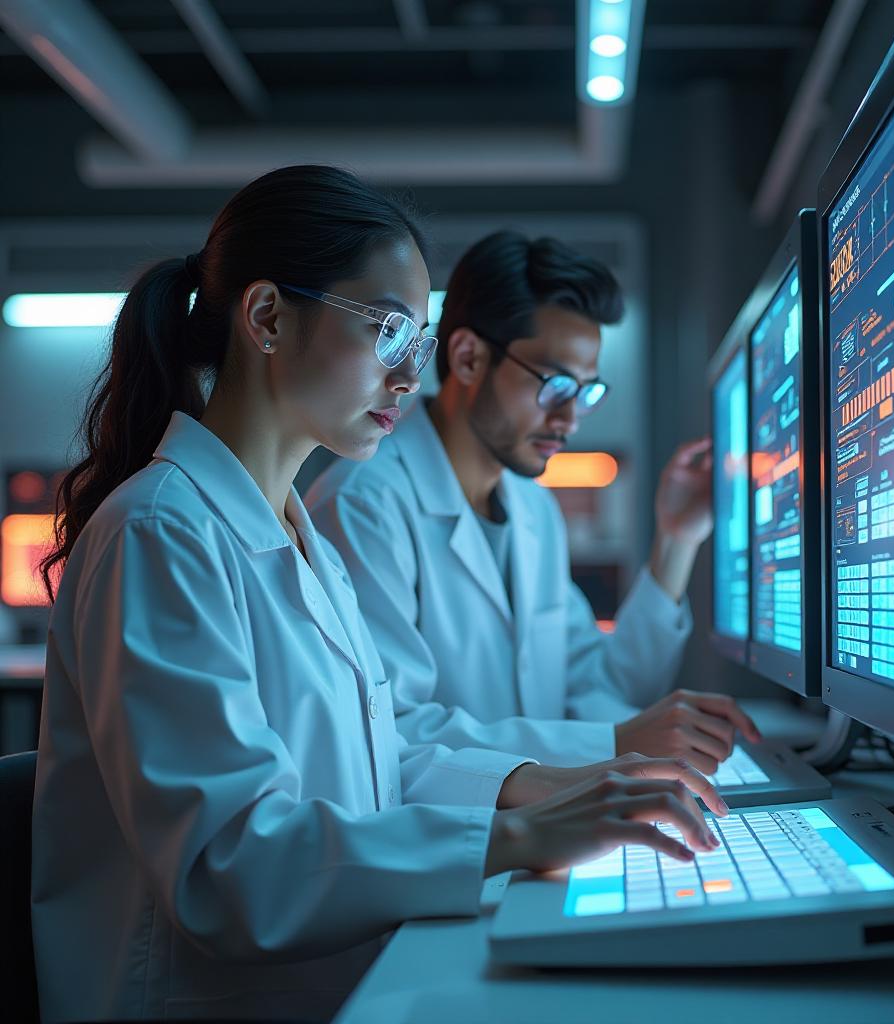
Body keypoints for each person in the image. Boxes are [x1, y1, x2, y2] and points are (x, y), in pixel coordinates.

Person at [31, 167, 726, 1023]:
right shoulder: (160, 532)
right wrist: (519, 835)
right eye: (388, 329)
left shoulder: (292, 533)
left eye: (417, 344)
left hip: (340, 975)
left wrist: (555, 788)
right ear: (267, 318)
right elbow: (228, 866)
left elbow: (381, 760)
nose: (407, 377)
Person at [305, 230, 762, 774]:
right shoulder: (364, 504)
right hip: (460, 836)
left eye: (586, 391)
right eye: (556, 384)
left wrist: (676, 539)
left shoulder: (531, 507)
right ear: (470, 358)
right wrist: (613, 744)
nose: (569, 419)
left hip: (542, 822)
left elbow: (603, 688)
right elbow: (391, 733)